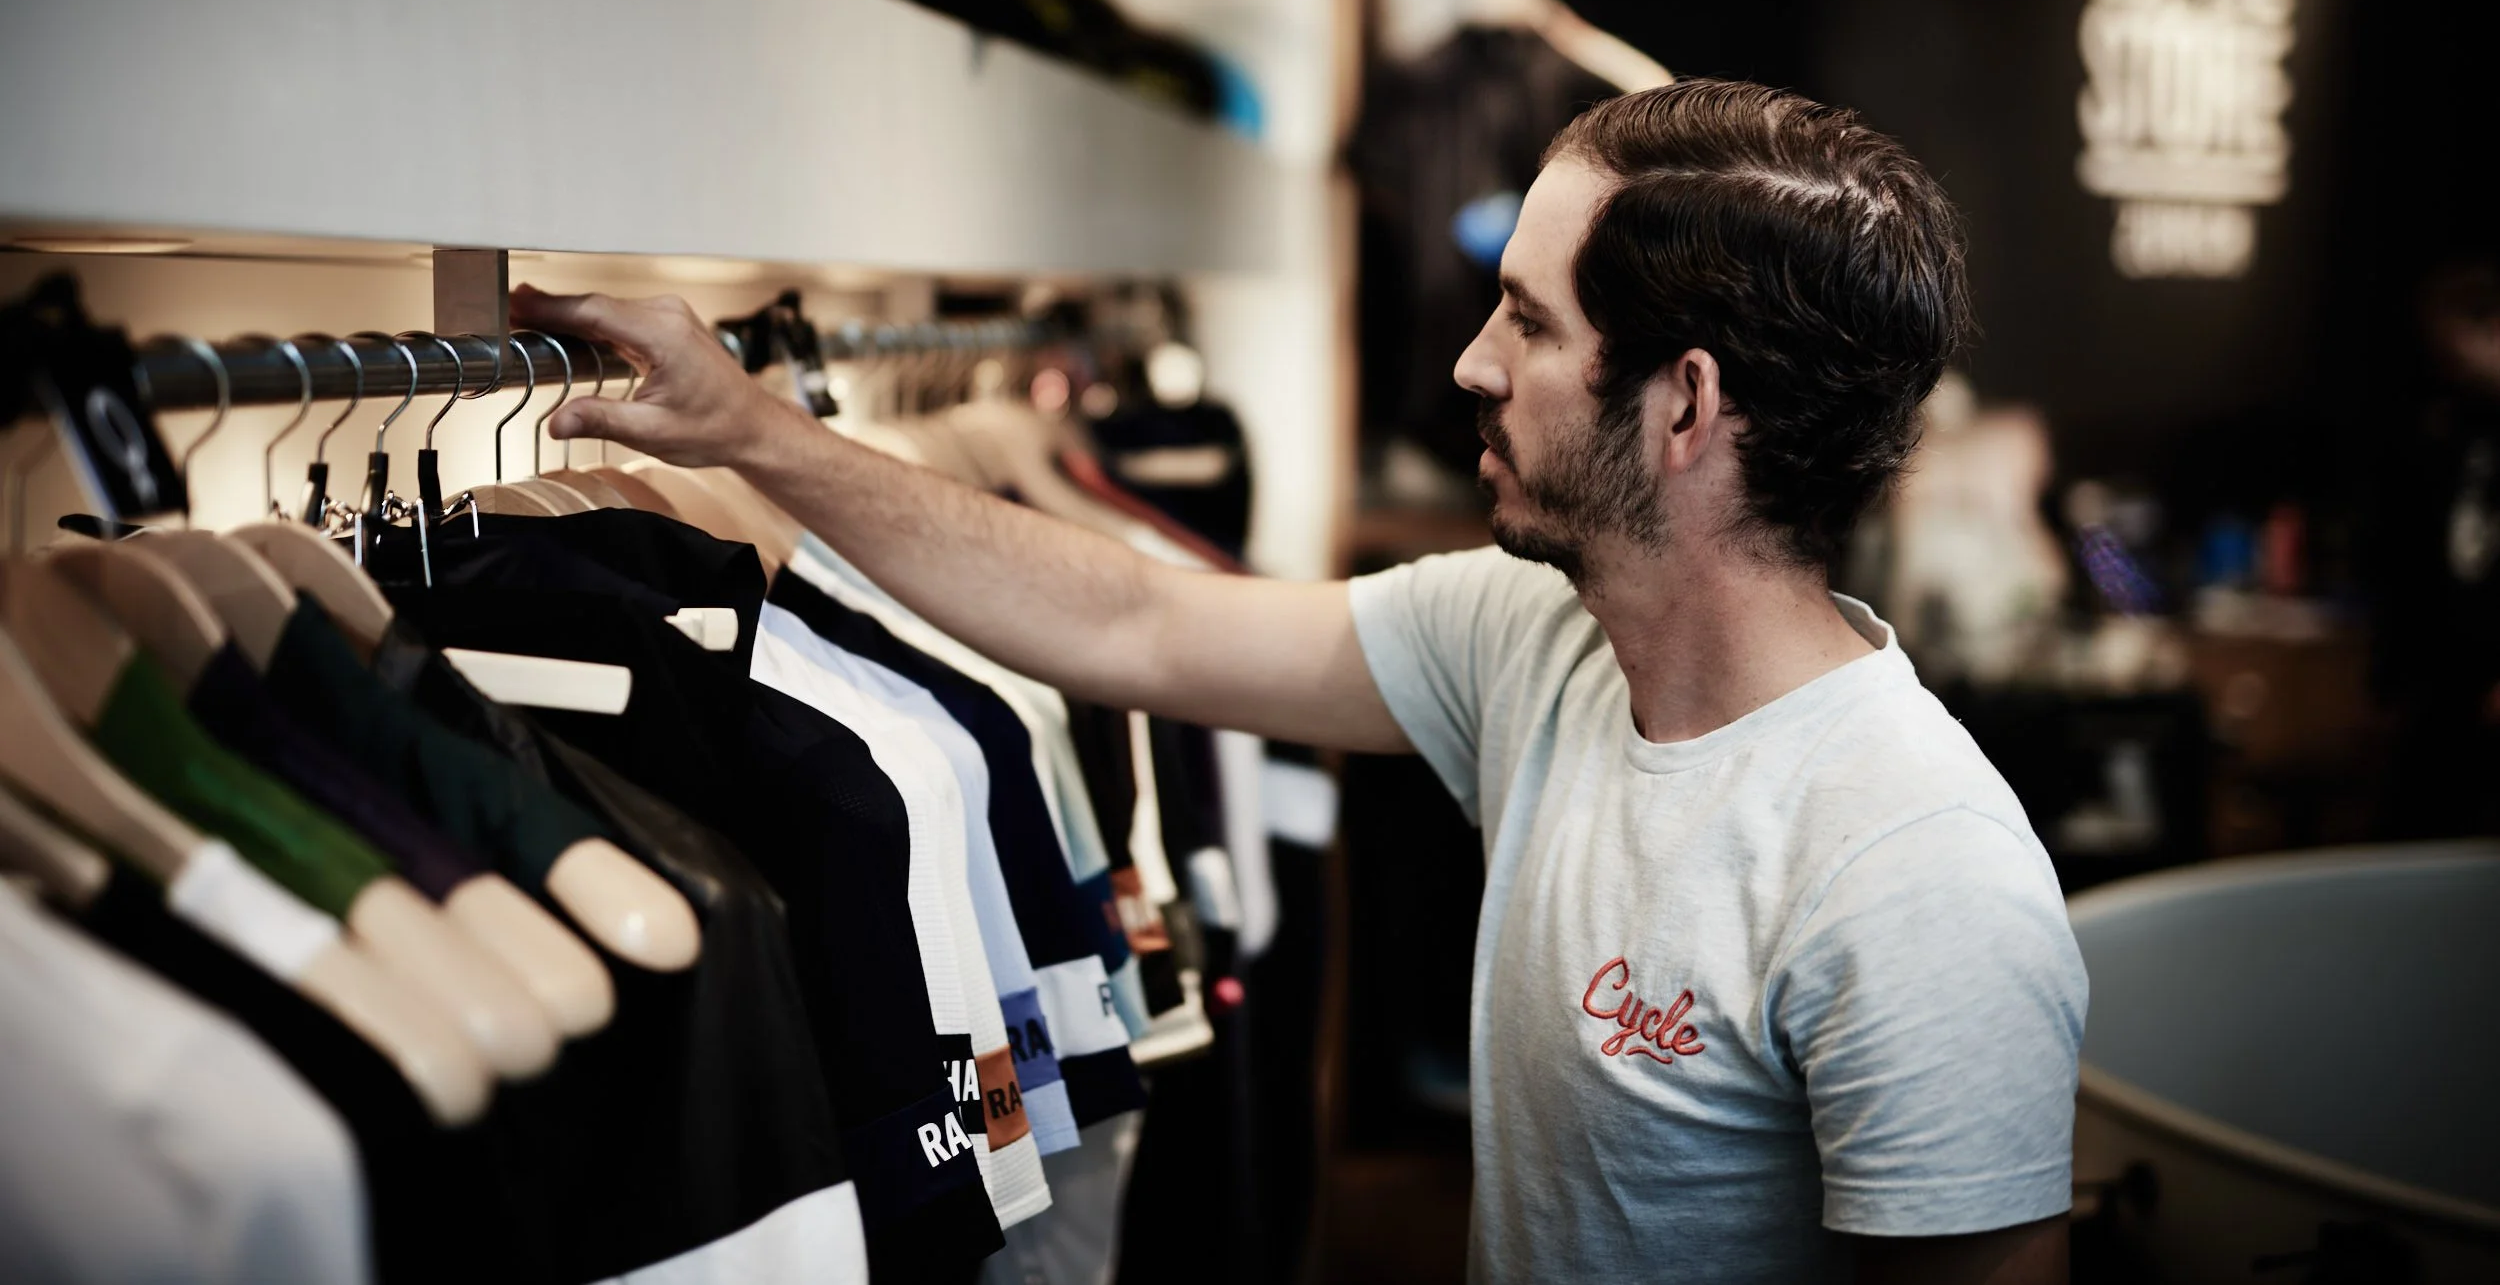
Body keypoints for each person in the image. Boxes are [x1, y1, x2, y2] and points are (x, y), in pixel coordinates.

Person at [517, 79, 2086, 1284]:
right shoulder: (1536, 643)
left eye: (1529, 324)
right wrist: (749, 435)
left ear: (1685, 407)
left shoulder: (1915, 876)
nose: (1471, 363)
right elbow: (1140, 625)